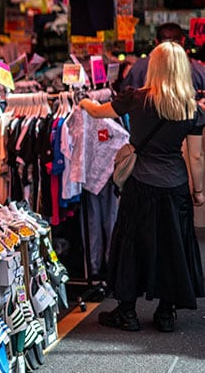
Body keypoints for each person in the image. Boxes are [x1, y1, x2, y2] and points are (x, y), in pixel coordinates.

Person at [80, 41, 205, 333]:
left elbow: (98, 112)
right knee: (172, 247)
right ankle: (165, 312)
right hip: (174, 187)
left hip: (140, 185)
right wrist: (198, 191)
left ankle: (127, 312)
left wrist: (83, 102)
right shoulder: (191, 108)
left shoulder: (135, 99)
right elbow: (196, 156)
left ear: (155, 66)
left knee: (132, 246)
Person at [120, 23, 205, 92]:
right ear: (183, 40)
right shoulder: (199, 70)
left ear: (156, 42)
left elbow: (125, 97)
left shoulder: (140, 67)